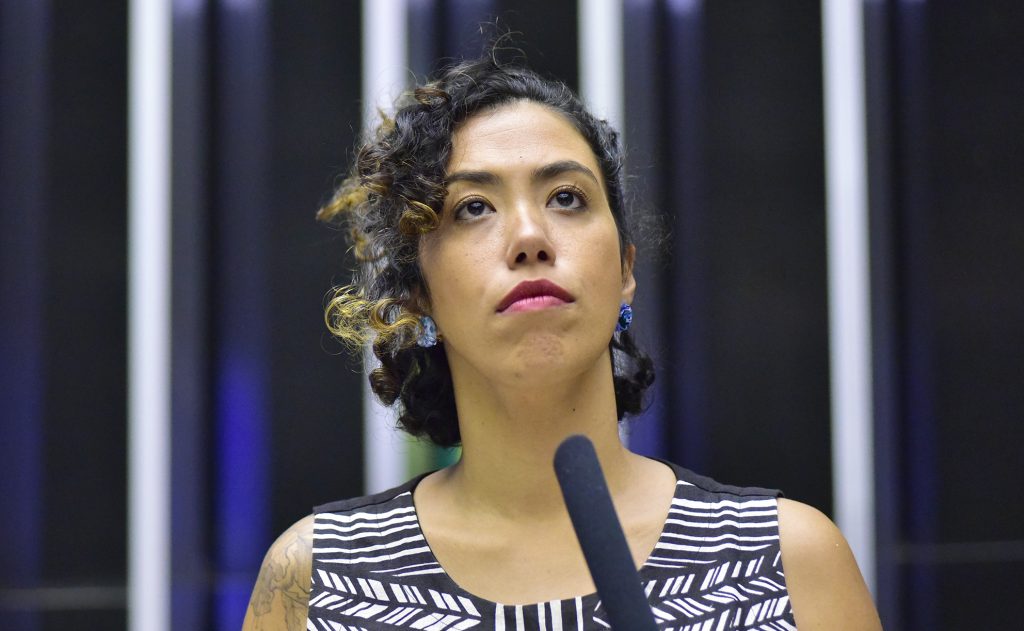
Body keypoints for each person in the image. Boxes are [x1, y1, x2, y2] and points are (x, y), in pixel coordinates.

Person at [242, 54, 882, 630]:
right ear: (418, 296)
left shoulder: (786, 561)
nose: (530, 236)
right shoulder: (316, 581)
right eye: (473, 207)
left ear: (625, 270)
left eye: (567, 197)